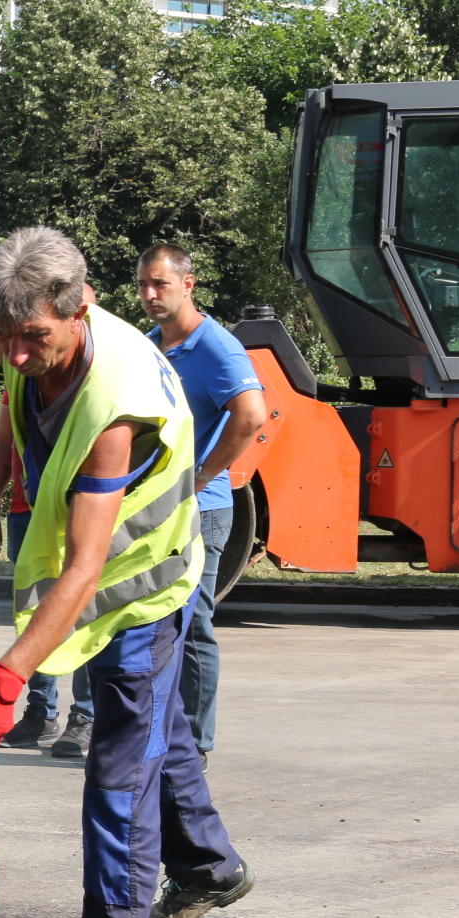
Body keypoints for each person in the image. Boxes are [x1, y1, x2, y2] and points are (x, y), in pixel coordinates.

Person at [0, 227, 254, 918]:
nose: (20, 357)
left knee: (117, 782)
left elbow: (87, 568)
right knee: (157, 739)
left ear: (81, 305)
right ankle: (210, 866)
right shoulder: (11, 334)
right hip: (99, 585)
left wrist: (6, 679)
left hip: (139, 589)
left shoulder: (115, 405)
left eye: (35, 338)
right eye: (9, 339)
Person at [137, 243, 267, 767]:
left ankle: (196, 742)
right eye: (143, 283)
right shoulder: (149, 345)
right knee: (156, 622)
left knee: (193, 625)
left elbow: (252, 416)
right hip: (155, 507)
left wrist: (203, 475)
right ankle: (158, 732)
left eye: (160, 284)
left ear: (188, 284)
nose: (149, 294)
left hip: (201, 509)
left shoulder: (216, 346)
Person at [0, 395, 95, 757]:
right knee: (35, 613)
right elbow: (3, 439)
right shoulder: (23, 377)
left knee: (86, 613)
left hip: (84, 506)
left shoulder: (95, 368)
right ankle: (40, 712)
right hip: (27, 510)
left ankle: (87, 715)